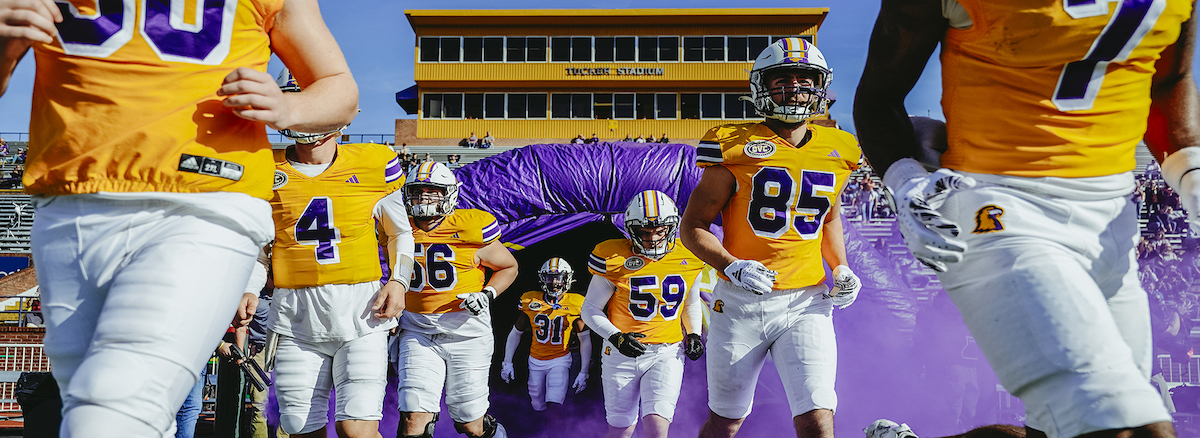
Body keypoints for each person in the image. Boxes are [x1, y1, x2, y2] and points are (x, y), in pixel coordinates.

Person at [0, 0, 358, 435]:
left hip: (205, 199)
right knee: (97, 401)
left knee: (114, 405)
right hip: (71, 198)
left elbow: (338, 87)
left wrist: (289, 109)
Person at [853, 0, 1198, 436]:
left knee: (1065, 426)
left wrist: (1191, 172)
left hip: (1112, 214)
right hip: (997, 209)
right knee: (1126, 425)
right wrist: (905, 181)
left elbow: (1169, 78)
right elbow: (879, 96)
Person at [679, 37, 863, 438]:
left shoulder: (841, 147)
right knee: (727, 422)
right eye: (783, 79)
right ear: (763, 86)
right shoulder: (731, 142)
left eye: (805, 79)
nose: (795, 87)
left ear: (821, 86)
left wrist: (841, 266)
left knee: (818, 416)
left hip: (806, 301)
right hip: (742, 303)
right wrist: (733, 265)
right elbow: (691, 226)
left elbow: (827, 219)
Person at [264, 69, 413, 438]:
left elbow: (399, 233)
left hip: (360, 311)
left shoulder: (373, 162)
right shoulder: (266, 170)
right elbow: (257, 244)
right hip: (295, 314)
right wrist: (252, 288)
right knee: (299, 427)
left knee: (357, 430)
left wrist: (398, 281)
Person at [394, 161, 518, 438]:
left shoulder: (471, 226)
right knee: (414, 419)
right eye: (418, 191)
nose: (424, 198)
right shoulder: (395, 223)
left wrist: (487, 294)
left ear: (449, 194)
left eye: (433, 191)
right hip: (418, 330)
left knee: (470, 424)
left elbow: (509, 266)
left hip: (467, 333)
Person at [583, 190, 706, 438]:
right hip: (620, 354)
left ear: (672, 226)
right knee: (620, 431)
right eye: (644, 232)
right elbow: (590, 310)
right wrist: (616, 337)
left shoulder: (690, 254)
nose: (653, 238)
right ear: (631, 230)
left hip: (667, 351)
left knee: (657, 429)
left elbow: (691, 302)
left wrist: (693, 333)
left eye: (660, 230)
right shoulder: (614, 256)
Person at [500, 257, 592, 412]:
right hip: (535, 360)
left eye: (559, 278)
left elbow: (585, 340)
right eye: (550, 278)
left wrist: (584, 371)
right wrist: (507, 362)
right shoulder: (530, 300)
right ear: (543, 278)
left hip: (560, 359)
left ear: (567, 279)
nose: (555, 282)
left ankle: (556, 431)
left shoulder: (576, 302)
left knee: (555, 404)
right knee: (537, 404)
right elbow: (516, 332)